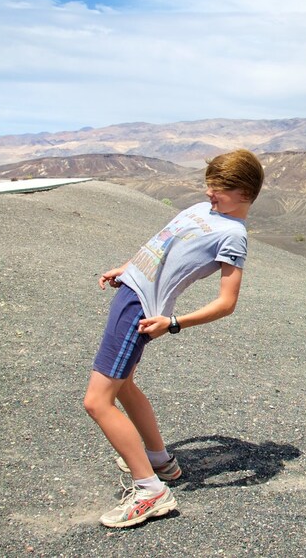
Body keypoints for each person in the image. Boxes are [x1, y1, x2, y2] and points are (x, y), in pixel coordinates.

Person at [83, 149, 264, 528]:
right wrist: (127, 268)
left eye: (219, 188)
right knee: (124, 386)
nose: (209, 192)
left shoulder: (234, 236)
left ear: (245, 193)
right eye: (209, 184)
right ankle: (160, 461)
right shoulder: (202, 209)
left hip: (141, 310)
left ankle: (150, 491)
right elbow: (162, 245)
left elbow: (226, 303)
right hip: (130, 292)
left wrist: (173, 323)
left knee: (97, 402)